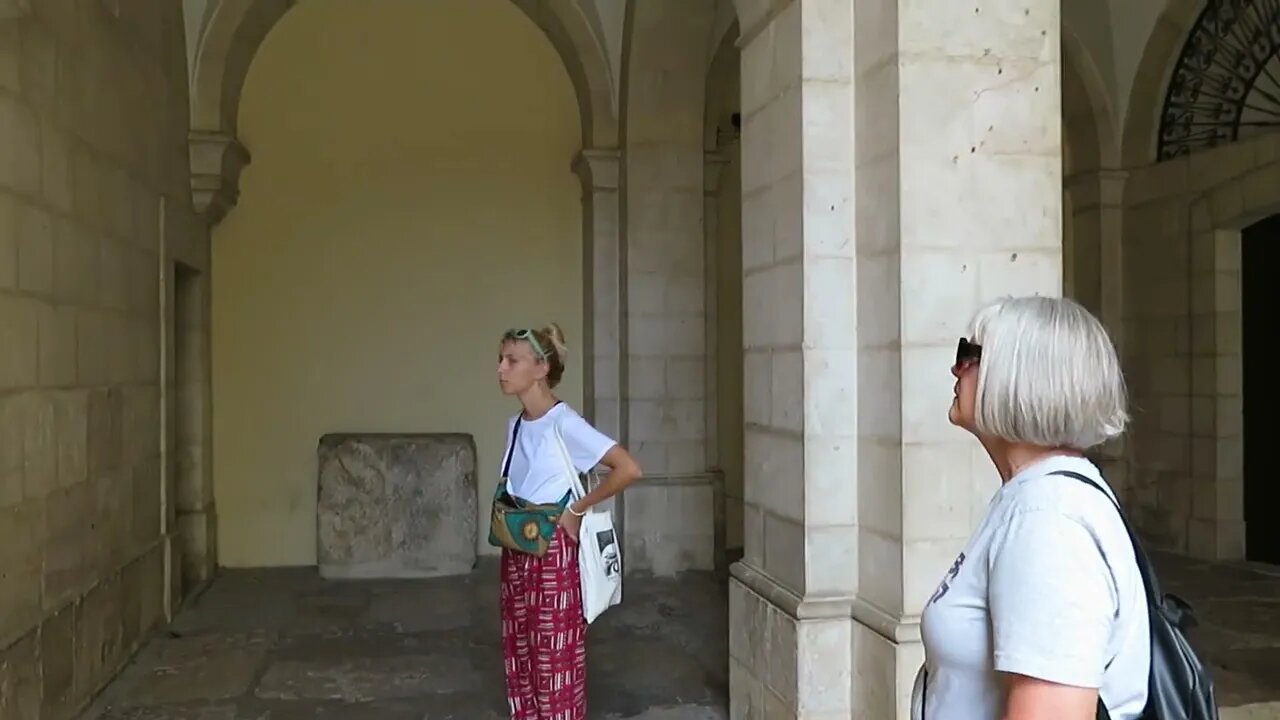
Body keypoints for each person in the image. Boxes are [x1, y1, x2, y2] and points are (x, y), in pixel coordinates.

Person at [913, 296, 1151, 719]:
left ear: (1020, 376)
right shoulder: (1038, 497)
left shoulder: (1049, 524)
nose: (956, 368)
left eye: (970, 355)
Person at [492, 324, 643, 720]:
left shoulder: (565, 424)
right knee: (520, 656)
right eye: (501, 359)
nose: (501, 369)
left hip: (553, 556)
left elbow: (627, 468)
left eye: (512, 360)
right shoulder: (516, 425)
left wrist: (576, 510)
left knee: (555, 664)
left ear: (541, 368)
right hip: (517, 548)